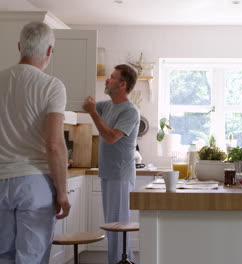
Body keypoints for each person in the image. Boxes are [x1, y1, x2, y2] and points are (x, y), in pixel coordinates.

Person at [0, 22, 71, 263]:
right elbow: (54, 144)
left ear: (20, 47)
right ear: (50, 51)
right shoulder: (52, 86)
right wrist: (62, 192)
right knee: (32, 257)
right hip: (34, 183)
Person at [82, 64, 140, 264]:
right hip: (108, 172)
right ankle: (119, 261)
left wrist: (93, 113)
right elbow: (81, 104)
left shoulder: (130, 111)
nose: (107, 80)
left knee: (118, 226)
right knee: (112, 226)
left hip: (120, 175)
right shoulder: (107, 105)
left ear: (122, 85)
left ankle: (121, 262)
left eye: (112, 78)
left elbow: (111, 137)